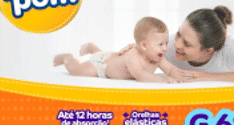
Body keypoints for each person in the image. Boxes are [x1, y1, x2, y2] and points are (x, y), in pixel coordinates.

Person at [53, 17, 182, 83]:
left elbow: (170, 69)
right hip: (101, 65)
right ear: (144, 45)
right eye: (160, 44)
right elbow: (140, 75)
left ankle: (93, 48)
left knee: (106, 55)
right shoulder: (133, 56)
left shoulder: (157, 57)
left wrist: (180, 77)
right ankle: (66, 58)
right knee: (76, 71)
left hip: (110, 57)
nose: (165, 48)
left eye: (166, 43)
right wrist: (163, 80)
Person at [165, 6, 234, 82]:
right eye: (178, 34)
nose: (177, 44)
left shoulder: (230, 47)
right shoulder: (167, 45)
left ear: (208, 51)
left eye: (187, 44)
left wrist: (210, 77)